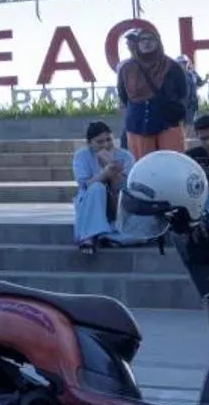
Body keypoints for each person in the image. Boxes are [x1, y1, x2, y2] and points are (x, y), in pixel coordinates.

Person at [116, 27, 193, 159]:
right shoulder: (127, 68)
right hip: (138, 123)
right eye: (142, 40)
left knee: (173, 161)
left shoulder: (172, 66)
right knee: (144, 164)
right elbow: (123, 95)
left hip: (168, 122)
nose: (146, 43)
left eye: (151, 39)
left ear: (158, 42)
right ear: (137, 44)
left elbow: (183, 92)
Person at [70, 121, 133, 252]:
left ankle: (100, 235)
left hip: (118, 202)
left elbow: (126, 187)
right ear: (90, 143)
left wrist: (112, 167)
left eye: (108, 140)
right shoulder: (81, 156)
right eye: (100, 142)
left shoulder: (125, 156)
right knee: (97, 187)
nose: (105, 145)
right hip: (90, 201)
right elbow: (85, 185)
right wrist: (104, 173)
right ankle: (90, 236)